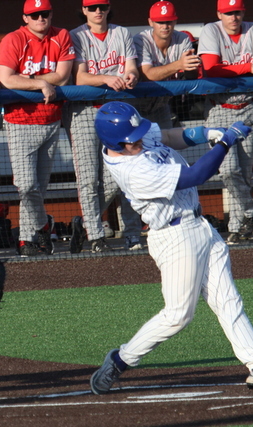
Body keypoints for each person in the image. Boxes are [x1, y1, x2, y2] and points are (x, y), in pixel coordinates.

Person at [89, 101, 253, 394]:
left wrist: (208, 132)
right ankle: (121, 359)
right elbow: (195, 176)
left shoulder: (134, 137)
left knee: (228, 301)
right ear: (114, 142)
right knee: (178, 315)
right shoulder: (133, 171)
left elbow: (167, 136)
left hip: (201, 227)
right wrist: (226, 142)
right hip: (174, 238)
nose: (139, 141)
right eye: (132, 140)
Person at [0, 0, 74, 257]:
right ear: (25, 17)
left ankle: (28, 239)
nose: (40, 18)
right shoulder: (14, 39)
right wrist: (41, 82)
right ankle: (44, 225)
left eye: (44, 13)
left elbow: (63, 76)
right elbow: (6, 79)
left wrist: (29, 81)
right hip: (20, 121)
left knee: (38, 189)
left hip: (51, 121)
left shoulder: (61, 35)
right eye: (35, 14)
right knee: (26, 186)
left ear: (51, 14)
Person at [66, 0, 145, 252]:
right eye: (92, 7)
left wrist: (132, 75)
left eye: (102, 6)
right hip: (85, 112)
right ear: (84, 10)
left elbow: (131, 66)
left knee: (124, 176)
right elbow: (79, 77)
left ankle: (131, 233)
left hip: (117, 113)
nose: (97, 11)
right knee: (89, 180)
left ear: (108, 8)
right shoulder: (75, 35)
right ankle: (95, 235)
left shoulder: (121, 33)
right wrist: (106, 78)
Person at [198, 0, 253, 245]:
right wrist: (248, 66)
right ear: (220, 13)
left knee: (244, 173)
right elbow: (211, 68)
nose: (233, 17)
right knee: (228, 170)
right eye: (228, 13)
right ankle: (252, 212)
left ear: (243, 12)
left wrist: (239, 69)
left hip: (248, 108)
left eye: (237, 12)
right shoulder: (212, 29)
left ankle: (239, 229)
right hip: (220, 108)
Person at [133, 0, 201, 129]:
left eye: (169, 21)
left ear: (175, 22)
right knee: (138, 146)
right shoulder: (140, 40)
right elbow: (148, 75)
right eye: (160, 22)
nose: (165, 26)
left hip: (161, 105)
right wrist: (179, 64)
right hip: (136, 105)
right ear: (150, 22)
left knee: (166, 144)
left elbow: (192, 76)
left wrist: (192, 65)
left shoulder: (182, 39)